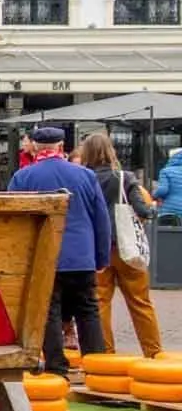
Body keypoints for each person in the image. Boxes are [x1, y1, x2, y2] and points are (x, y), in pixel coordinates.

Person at [8, 125, 110, 376]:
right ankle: (97, 368)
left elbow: (11, 219)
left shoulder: (23, 177)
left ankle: (56, 367)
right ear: (61, 147)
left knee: (48, 311)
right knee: (88, 310)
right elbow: (102, 220)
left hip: (44, 256)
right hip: (82, 256)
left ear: (35, 148)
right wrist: (101, 256)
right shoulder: (86, 175)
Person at [77, 132, 163, 358]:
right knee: (140, 302)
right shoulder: (125, 178)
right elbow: (144, 211)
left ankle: (106, 355)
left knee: (100, 302)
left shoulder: (83, 178)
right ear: (111, 151)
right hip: (128, 249)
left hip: (97, 249)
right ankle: (153, 353)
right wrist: (154, 207)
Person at [153, 145, 182, 221]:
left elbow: (163, 190)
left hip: (171, 209)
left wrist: (154, 195)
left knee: (169, 231)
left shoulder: (166, 171)